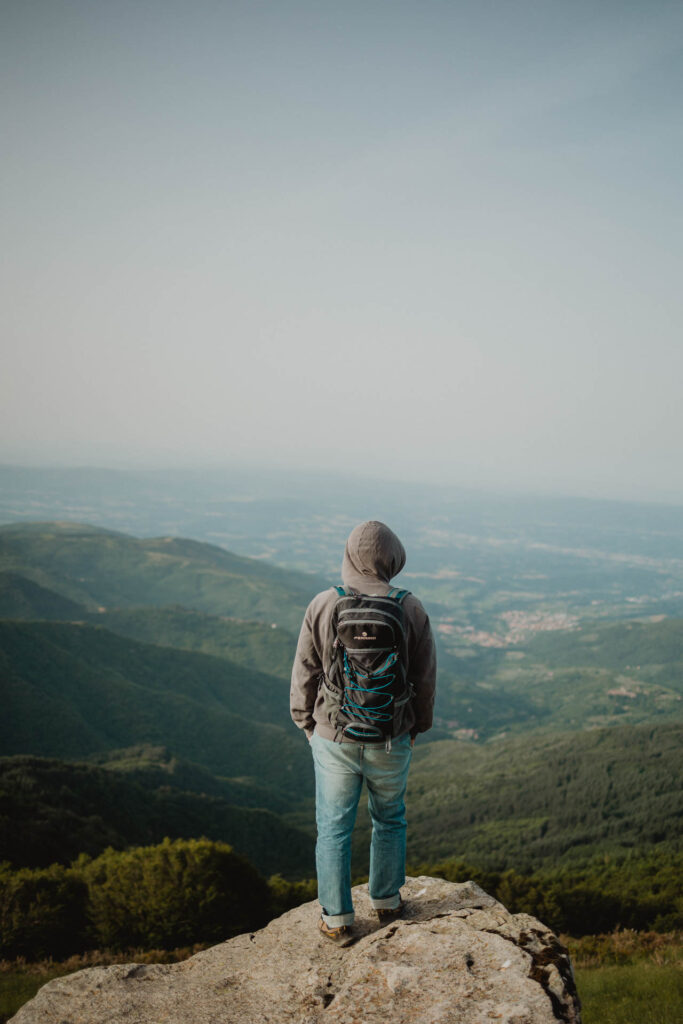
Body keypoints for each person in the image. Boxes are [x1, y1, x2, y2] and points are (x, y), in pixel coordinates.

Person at [290, 520, 437, 946]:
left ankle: (336, 919)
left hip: (333, 737)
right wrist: (417, 727)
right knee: (389, 818)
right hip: (392, 737)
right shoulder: (410, 608)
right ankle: (387, 901)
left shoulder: (323, 603)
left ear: (350, 556)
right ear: (392, 560)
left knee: (333, 827)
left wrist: (306, 722)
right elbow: (424, 679)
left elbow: (306, 670)